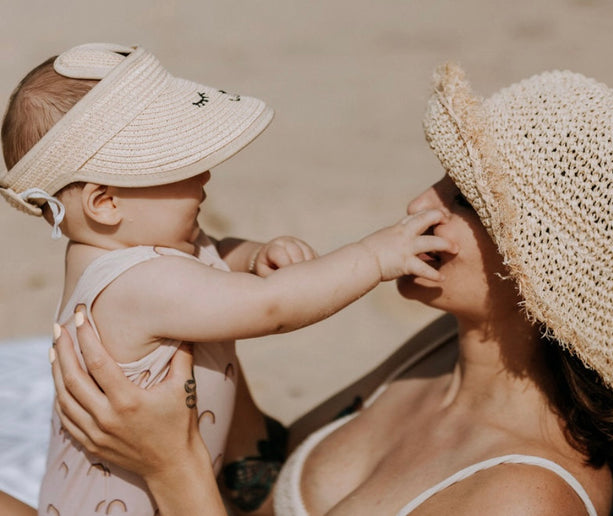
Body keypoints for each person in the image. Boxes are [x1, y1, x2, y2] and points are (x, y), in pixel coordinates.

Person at [48, 63, 613, 515]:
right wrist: (207, 337)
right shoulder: (444, 350)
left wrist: (170, 464)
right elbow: (260, 490)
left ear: (538, 267)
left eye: (462, 199)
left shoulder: (523, 498)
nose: (419, 203)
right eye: (441, 178)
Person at [0, 43, 455, 516]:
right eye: (178, 165)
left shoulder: (135, 250)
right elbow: (271, 308)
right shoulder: (135, 286)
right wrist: (375, 256)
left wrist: (254, 256)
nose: (205, 174)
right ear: (105, 202)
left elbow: (208, 258)